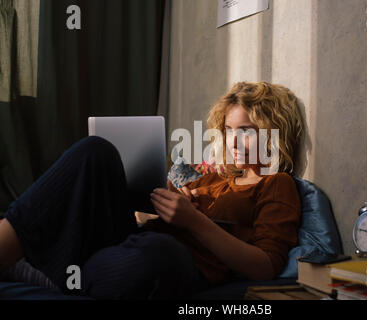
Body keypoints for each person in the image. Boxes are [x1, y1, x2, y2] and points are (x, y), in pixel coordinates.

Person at [0, 81, 304, 300]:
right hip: (130, 241)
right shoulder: (211, 180)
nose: (233, 142)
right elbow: (143, 221)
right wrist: (159, 204)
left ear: (274, 133)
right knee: (96, 151)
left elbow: (265, 266)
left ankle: (45, 268)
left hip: (178, 264)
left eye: (246, 132)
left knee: (160, 252)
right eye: (228, 131)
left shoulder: (276, 184)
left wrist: (194, 221)